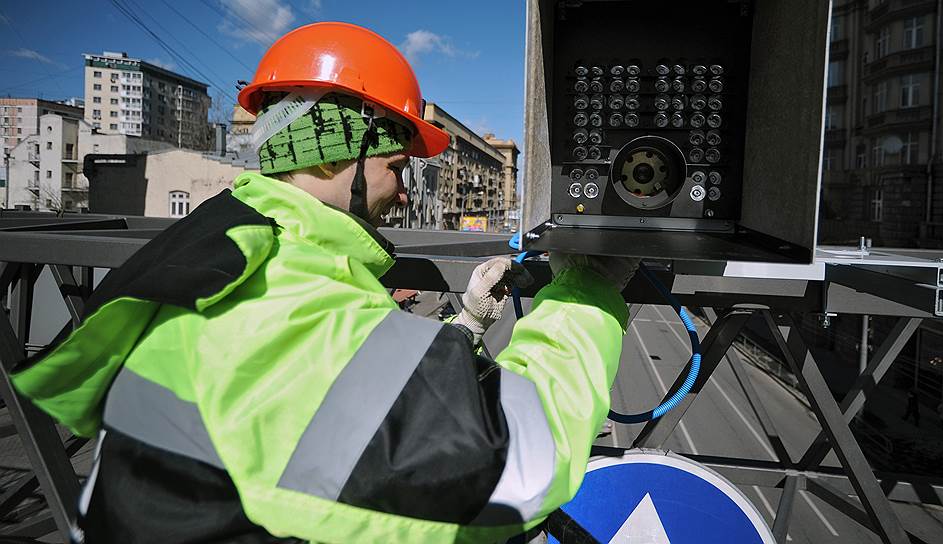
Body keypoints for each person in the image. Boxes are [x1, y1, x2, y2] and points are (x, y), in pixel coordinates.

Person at [12, 22, 640, 543]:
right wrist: (587, 290)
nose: (401, 193)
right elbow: (517, 461)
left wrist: (467, 325)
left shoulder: (233, 245)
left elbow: (336, 399)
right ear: (338, 147)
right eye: (397, 167)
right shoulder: (277, 298)